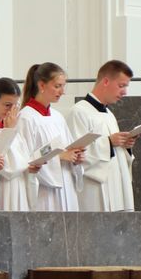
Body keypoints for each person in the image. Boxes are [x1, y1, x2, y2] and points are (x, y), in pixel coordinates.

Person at [68, 60, 137, 212]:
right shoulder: (79, 112)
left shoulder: (109, 114)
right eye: (121, 86)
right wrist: (109, 143)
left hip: (116, 188)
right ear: (106, 81)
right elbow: (77, 155)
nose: (125, 92)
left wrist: (124, 146)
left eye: (126, 86)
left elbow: (115, 152)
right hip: (94, 190)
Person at [18, 62, 85, 212]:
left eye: (63, 86)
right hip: (45, 191)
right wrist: (59, 156)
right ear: (42, 85)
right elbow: (26, 159)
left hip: (67, 184)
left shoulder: (58, 117)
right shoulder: (26, 118)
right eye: (57, 86)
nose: (62, 91)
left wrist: (75, 159)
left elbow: (66, 149)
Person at [0, 77, 32, 211]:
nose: (11, 111)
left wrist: (31, 166)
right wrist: (8, 131)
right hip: (1, 187)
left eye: (15, 106)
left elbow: (24, 158)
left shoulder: (12, 125)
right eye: (7, 105)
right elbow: (5, 166)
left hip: (19, 186)